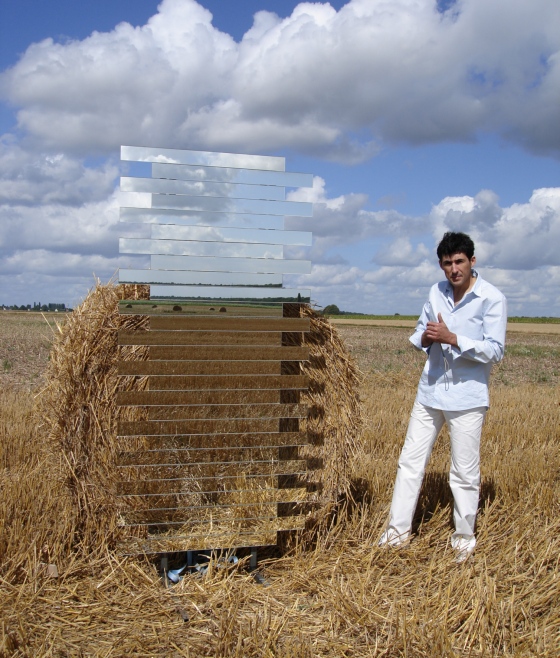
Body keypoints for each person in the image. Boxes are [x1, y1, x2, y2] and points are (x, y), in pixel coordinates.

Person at [379, 231, 507, 562]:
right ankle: (396, 535)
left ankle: (463, 540)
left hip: (467, 397)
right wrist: (427, 335)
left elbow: (495, 350)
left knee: (464, 472)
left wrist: (453, 338)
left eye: (459, 262)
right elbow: (421, 334)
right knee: (409, 462)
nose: (454, 269)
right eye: (447, 263)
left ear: (472, 261)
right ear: (441, 265)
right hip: (430, 390)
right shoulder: (436, 292)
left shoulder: (491, 298)